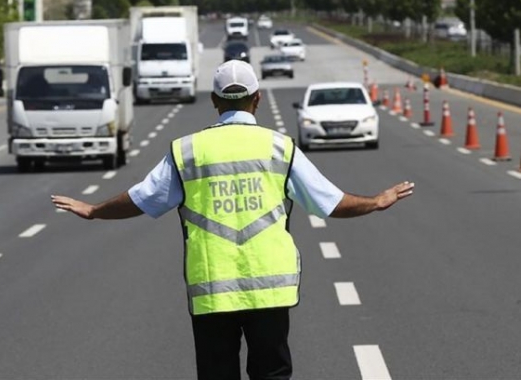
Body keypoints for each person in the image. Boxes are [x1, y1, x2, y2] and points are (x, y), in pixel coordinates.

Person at [51, 60, 415, 380]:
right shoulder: (279, 147)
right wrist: (376, 201)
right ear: (256, 99)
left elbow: (142, 199)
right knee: (271, 373)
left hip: (212, 289)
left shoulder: (188, 151)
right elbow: (330, 203)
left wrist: (94, 210)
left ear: (214, 102)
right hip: (270, 289)